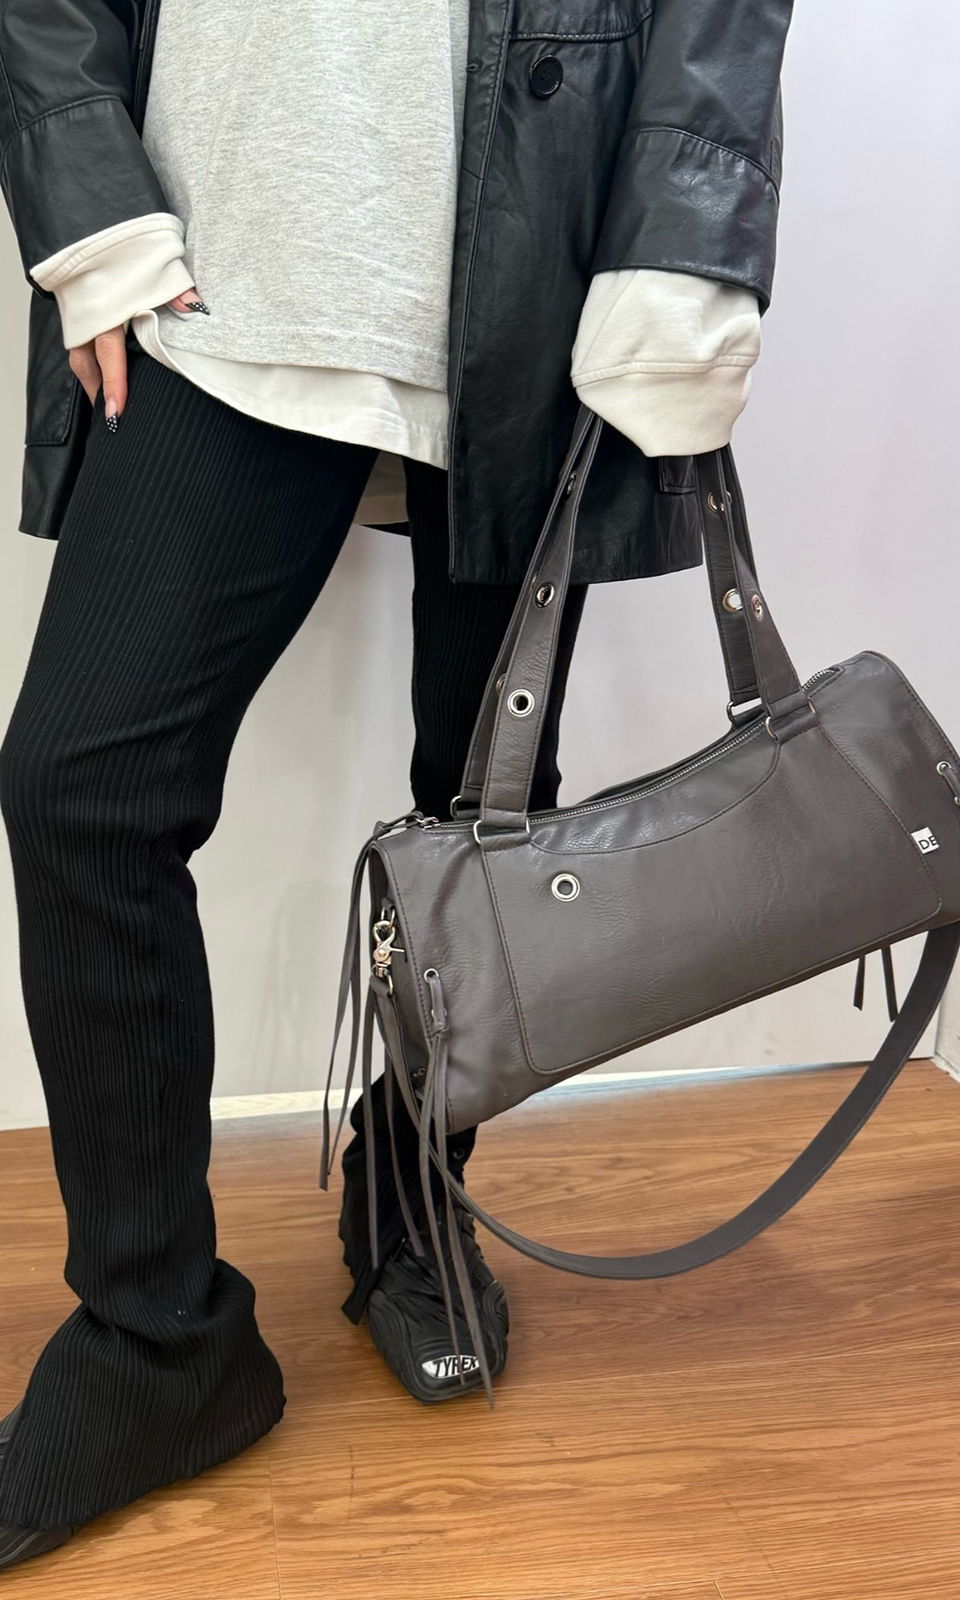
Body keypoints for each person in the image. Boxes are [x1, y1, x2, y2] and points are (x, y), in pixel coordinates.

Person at [0, 0, 793, 1571]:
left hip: (537, 253)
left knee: (481, 817)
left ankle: (414, 1207)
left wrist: (687, 243)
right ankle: (157, 1344)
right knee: (81, 786)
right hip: (221, 247)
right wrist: (84, 194)